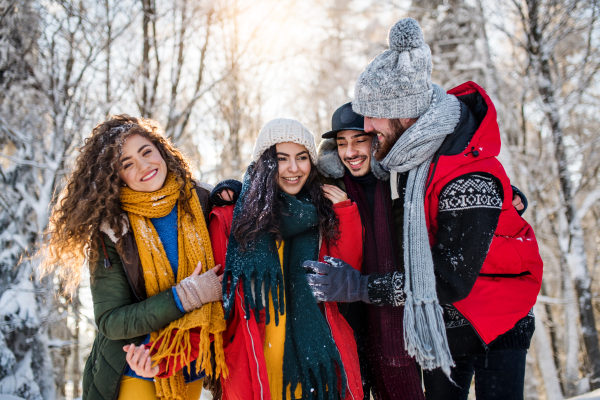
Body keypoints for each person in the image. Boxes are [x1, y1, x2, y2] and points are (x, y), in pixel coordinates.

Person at [305, 18, 543, 400]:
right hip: (443, 321)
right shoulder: (414, 156)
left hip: (494, 316)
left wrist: (361, 287)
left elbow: (449, 277)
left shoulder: (467, 178)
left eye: (372, 115)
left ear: (403, 112)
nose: (366, 126)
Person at [40, 115, 229, 400]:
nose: (144, 166)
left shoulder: (202, 201)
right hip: (134, 369)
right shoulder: (112, 229)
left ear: (161, 150)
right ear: (116, 177)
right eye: (127, 164)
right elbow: (112, 320)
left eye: (146, 152)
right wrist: (186, 296)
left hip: (190, 365)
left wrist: (235, 193)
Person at [219, 118, 364, 400]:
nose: (294, 169)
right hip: (254, 365)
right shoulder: (237, 217)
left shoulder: (323, 213)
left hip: (313, 366)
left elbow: (346, 272)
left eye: (302, 158)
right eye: (281, 159)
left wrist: (345, 212)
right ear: (265, 164)